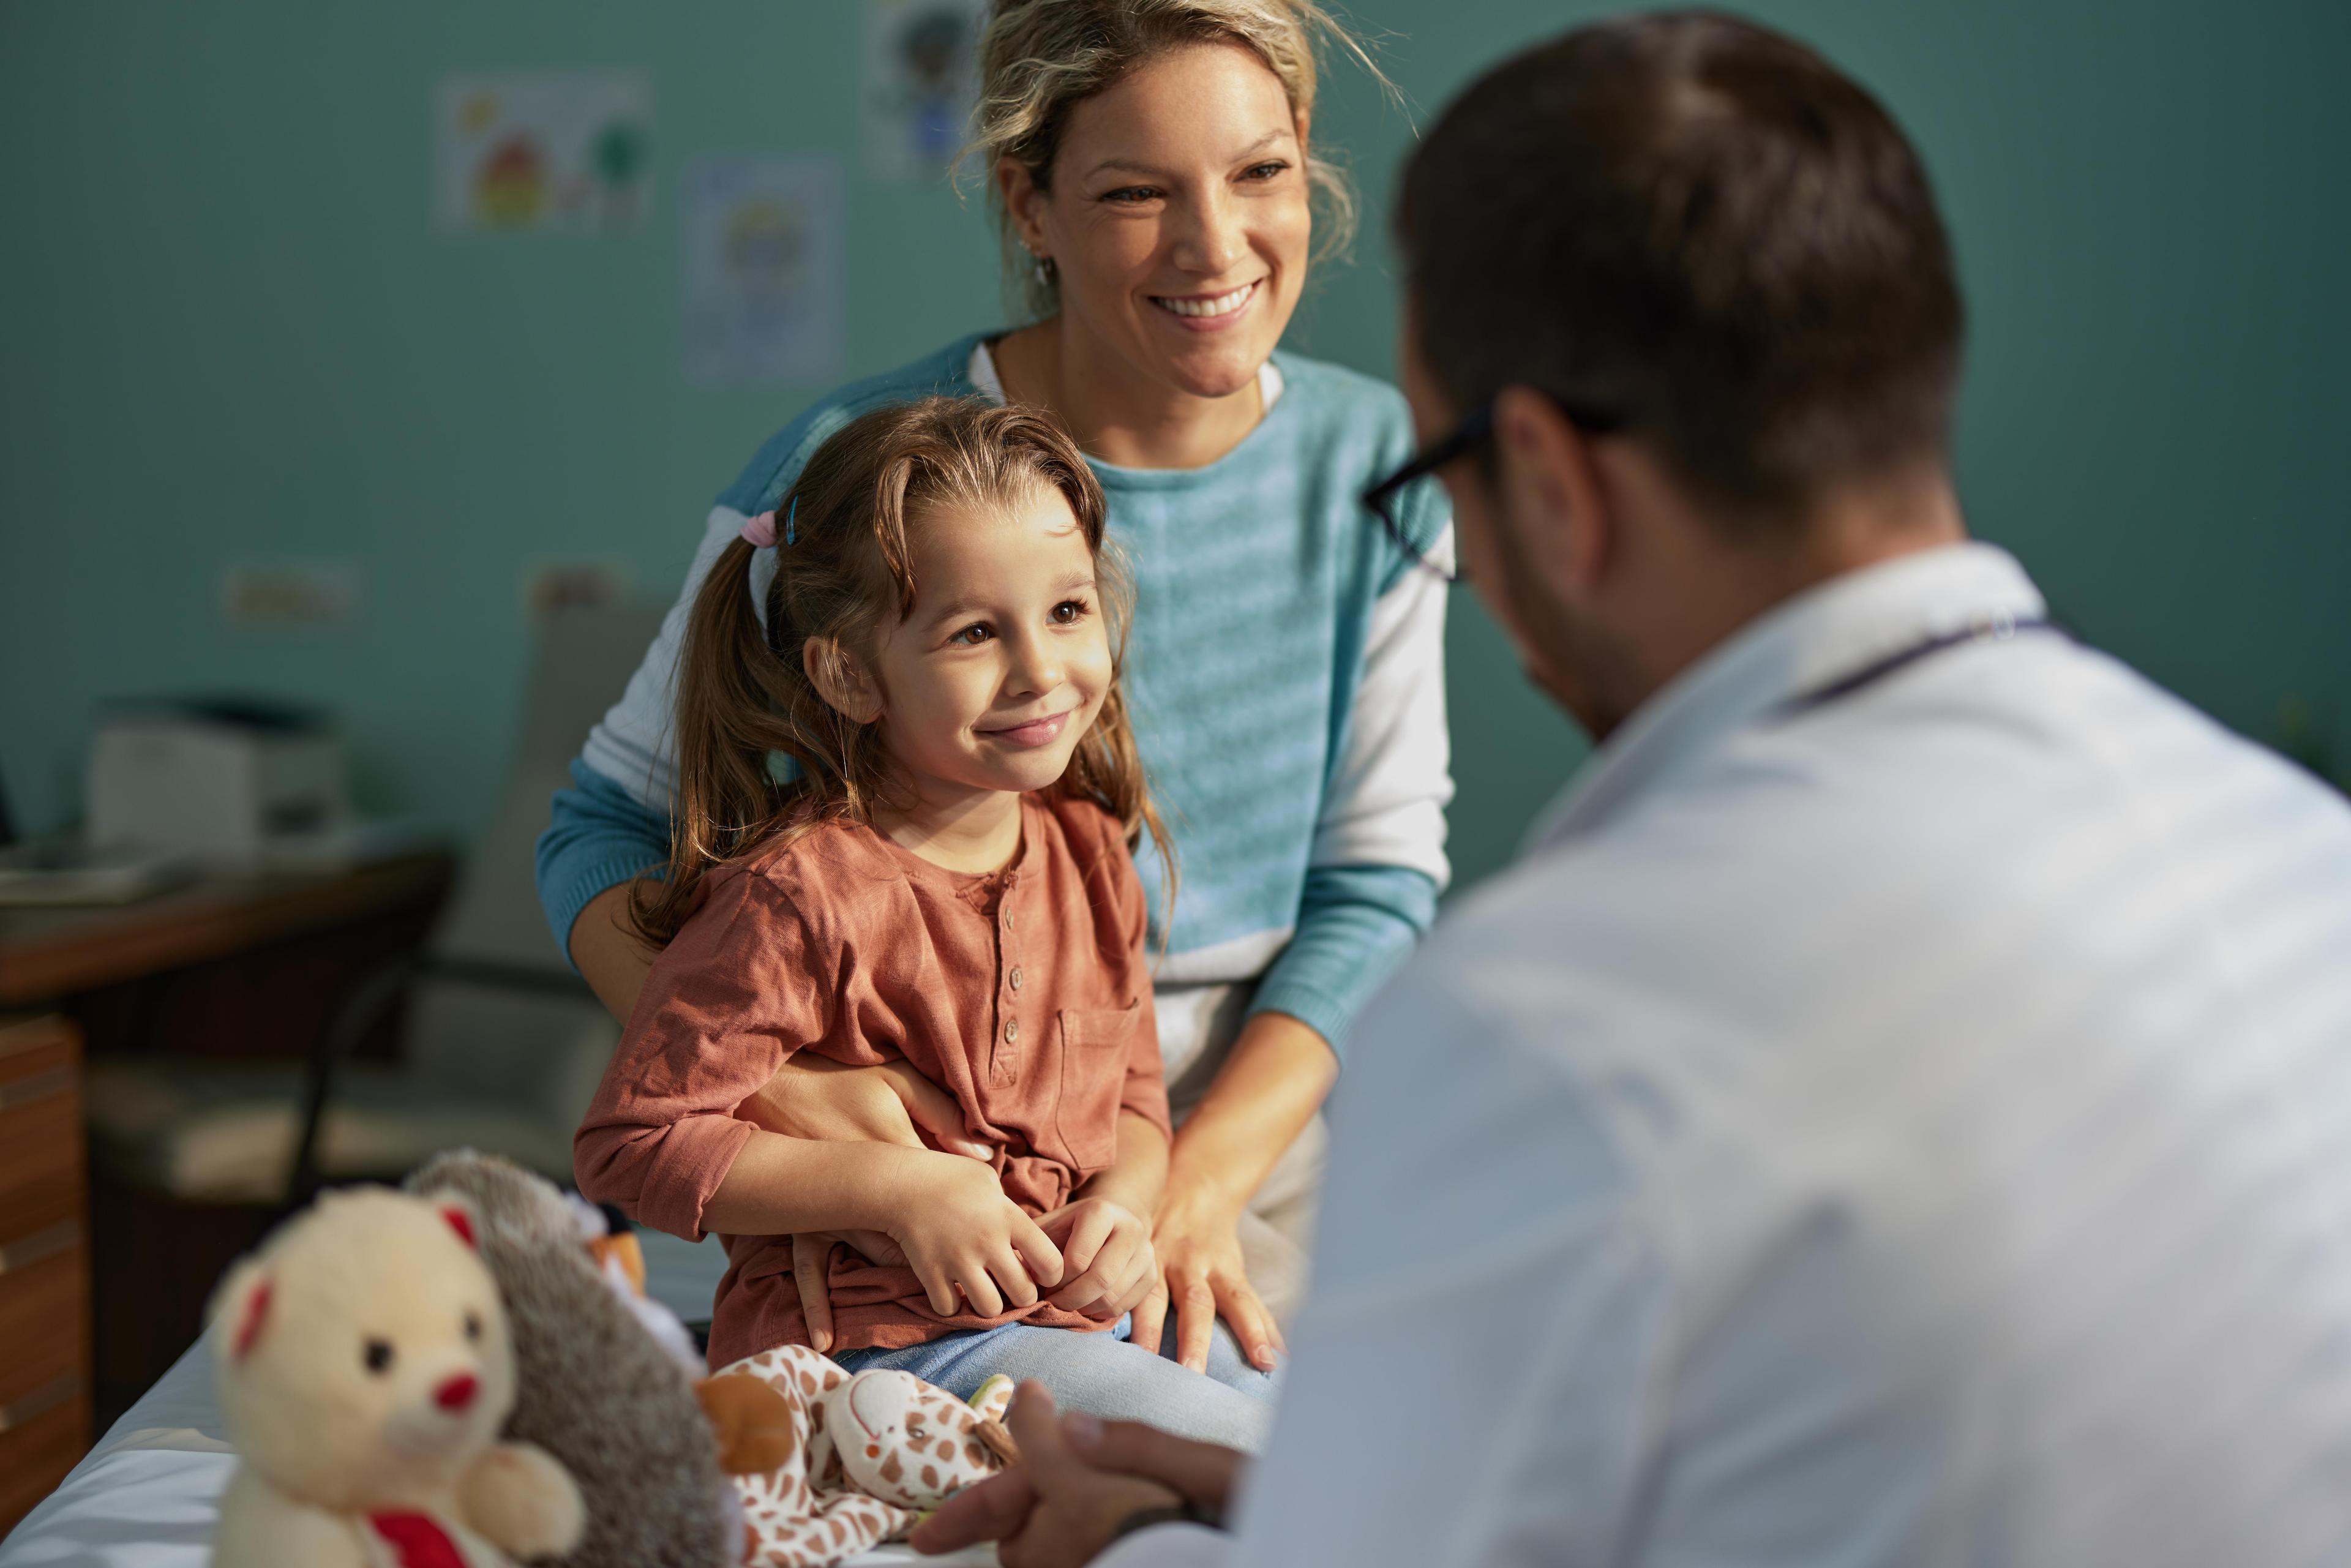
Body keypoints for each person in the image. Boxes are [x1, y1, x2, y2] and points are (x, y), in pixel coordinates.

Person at [913, 12, 2351, 1566]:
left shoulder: (1557, 1022)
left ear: (1548, 482)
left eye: (1439, 479)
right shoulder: (2303, 862)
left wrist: (1120, 1542)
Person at [537, 0, 1452, 1376]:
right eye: (1135, 193)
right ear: (1030, 204)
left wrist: (1185, 1188)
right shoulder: (855, 471)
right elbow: (599, 833)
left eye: (1259, 171)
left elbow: (1375, 888)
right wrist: (797, 1100)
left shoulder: (1377, 463)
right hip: (908, 1146)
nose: (1217, 248)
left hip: (1215, 1135)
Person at [574, 397, 1274, 1449]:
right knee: (1251, 1460)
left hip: (1064, 1319)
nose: (1041, 670)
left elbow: (1134, 1102)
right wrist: (897, 1189)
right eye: (976, 632)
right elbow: (632, 1143)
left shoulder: (1092, 856)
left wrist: (1126, 1210)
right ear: (850, 673)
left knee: (1336, 1423)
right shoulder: (801, 893)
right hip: (873, 1354)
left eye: (1069, 611)